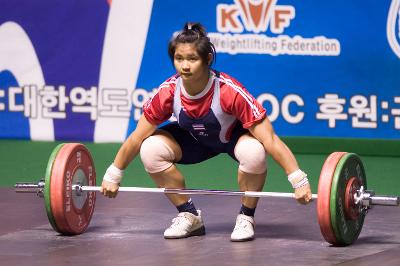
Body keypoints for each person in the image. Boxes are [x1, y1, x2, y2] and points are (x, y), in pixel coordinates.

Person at [100, 22, 312, 242]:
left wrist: (299, 180)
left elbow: (270, 139)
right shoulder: (168, 92)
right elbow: (137, 136)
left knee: (255, 152)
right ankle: (188, 215)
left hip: (232, 139)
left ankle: (246, 217)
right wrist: (114, 174)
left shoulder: (229, 91)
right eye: (179, 58)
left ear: (208, 60)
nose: (184, 66)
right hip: (193, 141)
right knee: (150, 149)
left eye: (192, 59)